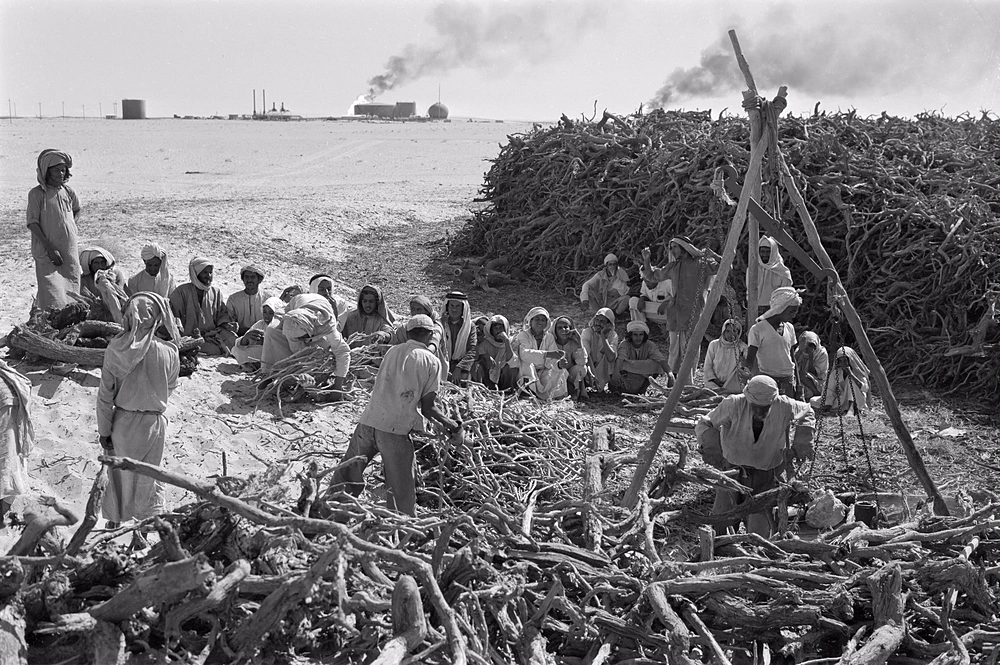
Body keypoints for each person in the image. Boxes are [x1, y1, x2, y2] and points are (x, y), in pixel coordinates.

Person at [329, 315, 463, 516]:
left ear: (408, 333)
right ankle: (401, 532)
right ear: (429, 335)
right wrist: (453, 425)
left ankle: (327, 512)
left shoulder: (392, 352)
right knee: (401, 492)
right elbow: (429, 408)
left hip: (368, 422)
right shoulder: (431, 362)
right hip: (394, 431)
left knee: (347, 474)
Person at [97, 293, 181, 531]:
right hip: (154, 424)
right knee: (148, 479)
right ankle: (143, 532)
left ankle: (113, 527)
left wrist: (104, 430)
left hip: (122, 423)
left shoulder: (116, 349)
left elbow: (105, 395)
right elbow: (171, 385)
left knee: (118, 478)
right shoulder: (170, 351)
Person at [695, 375, 816, 537]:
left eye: (765, 408)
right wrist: (712, 446)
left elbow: (808, 410)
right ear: (748, 399)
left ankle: (755, 556)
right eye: (756, 407)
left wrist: (803, 438)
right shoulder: (733, 404)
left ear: (773, 401)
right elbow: (704, 423)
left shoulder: (784, 405)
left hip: (766, 475)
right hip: (731, 473)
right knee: (721, 524)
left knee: (760, 531)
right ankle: (718, 551)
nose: (760, 412)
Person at [641, 238, 721, 387]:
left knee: (690, 348)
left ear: (684, 248)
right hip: (675, 313)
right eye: (671, 248)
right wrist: (646, 260)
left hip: (693, 312)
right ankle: (672, 381)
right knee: (674, 349)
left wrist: (713, 255)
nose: (672, 251)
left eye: (675, 247)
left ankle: (688, 384)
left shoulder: (701, 264)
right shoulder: (673, 266)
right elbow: (652, 276)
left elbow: (724, 266)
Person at [260, 294, 350, 396]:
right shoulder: (292, 309)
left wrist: (337, 388)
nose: (298, 340)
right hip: (295, 310)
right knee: (271, 330)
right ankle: (267, 374)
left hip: (316, 330)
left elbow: (343, 351)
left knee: (319, 351)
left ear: (308, 333)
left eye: (300, 338)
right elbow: (287, 320)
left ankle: (305, 378)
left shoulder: (328, 328)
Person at [27, 149, 82, 311]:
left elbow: (77, 209)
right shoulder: (36, 194)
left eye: (63, 169)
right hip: (48, 252)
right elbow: (32, 223)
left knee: (71, 292)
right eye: (56, 169)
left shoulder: (68, 191)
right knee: (51, 292)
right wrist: (50, 249)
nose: (60, 173)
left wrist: (72, 226)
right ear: (46, 171)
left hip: (69, 251)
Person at [168, 257, 238, 356]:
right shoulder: (181, 292)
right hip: (189, 336)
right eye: (204, 272)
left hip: (212, 333)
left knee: (234, 340)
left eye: (210, 272)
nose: (208, 276)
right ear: (196, 274)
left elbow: (222, 314)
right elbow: (173, 315)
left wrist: (226, 324)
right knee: (213, 350)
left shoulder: (216, 292)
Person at [742, 287, 801, 397]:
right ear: (780, 308)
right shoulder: (758, 329)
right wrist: (746, 371)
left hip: (788, 380)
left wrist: (799, 386)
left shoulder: (789, 328)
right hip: (767, 380)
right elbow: (750, 358)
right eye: (792, 311)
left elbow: (792, 358)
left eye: (796, 311)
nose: (794, 315)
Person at [0, 359, 34, 512]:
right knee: (10, 456)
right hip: (9, 398)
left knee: (9, 457)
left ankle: (2, 511)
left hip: (6, 402)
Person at [510, 307, 565, 400]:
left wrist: (558, 364)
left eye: (543, 320)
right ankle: (527, 392)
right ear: (530, 321)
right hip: (526, 370)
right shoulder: (523, 335)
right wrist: (546, 354)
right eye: (537, 319)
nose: (540, 322)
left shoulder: (549, 337)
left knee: (559, 372)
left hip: (542, 371)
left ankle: (552, 396)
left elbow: (551, 361)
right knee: (527, 364)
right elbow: (524, 354)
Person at [611, 321, 672, 395]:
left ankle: (642, 389)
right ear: (631, 335)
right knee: (620, 364)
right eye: (635, 335)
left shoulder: (649, 345)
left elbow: (661, 359)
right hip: (627, 374)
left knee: (657, 364)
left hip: (642, 375)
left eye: (641, 335)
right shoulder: (625, 344)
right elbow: (620, 359)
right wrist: (616, 372)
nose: (638, 338)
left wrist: (670, 374)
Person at [811, 347, 873, 416]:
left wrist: (851, 374)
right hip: (842, 399)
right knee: (813, 400)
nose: (843, 363)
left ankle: (851, 409)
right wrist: (828, 404)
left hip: (857, 399)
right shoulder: (837, 373)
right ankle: (843, 409)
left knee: (851, 381)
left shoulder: (858, 372)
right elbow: (830, 389)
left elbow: (865, 388)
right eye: (841, 361)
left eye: (845, 360)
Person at [747, 236, 794, 317]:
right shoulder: (752, 269)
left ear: (773, 252)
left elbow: (785, 297)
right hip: (753, 310)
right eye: (762, 251)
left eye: (768, 251)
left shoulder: (783, 273)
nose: (764, 254)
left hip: (774, 312)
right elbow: (749, 289)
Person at [79, 247, 129, 321]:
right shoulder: (84, 280)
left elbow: (120, 293)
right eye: (96, 263)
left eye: (102, 262)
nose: (100, 266)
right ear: (90, 265)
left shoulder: (115, 275)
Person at [233, 296, 284, 368]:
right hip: (263, 352)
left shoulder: (281, 325)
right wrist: (246, 339)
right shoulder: (261, 324)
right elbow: (239, 343)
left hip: (278, 355)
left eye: (271, 313)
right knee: (236, 350)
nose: (266, 316)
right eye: (264, 312)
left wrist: (267, 342)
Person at [440, 292, 477, 385]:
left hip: (461, 364)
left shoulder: (469, 327)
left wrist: (459, 367)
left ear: (463, 308)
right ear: (447, 307)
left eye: (458, 306)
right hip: (442, 363)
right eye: (451, 305)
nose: (454, 309)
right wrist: (442, 326)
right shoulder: (439, 324)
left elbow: (472, 351)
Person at [704, 318, 749, 394]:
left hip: (732, 383)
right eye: (728, 331)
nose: (731, 335)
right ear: (723, 331)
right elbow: (708, 365)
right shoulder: (714, 345)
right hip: (713, 382)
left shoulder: (742, 348)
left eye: (734, 331)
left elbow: (744, 370)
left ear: (738, 333)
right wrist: (714, 380)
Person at [474, 314, 517, 391]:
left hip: (503, 377)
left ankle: (507, 390)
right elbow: (477, 356)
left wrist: (506, 341)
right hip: (488, 378)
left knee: (510, 367)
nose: (498, 330)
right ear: (491, 330)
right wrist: (485, 356)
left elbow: (512, 361)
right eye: (495, 328)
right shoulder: (486, 342)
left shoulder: (512, 342)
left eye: (501, 328)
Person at [580, 308, 619, 393]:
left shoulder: (612, 335)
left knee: (609, 355)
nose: (597, 323)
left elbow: (611, 357)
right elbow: (586, 355)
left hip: (603, 367)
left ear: (608, 324)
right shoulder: (587, 332)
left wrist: (603, 337)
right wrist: (591, 372)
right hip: (589, 366)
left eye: (602, 321)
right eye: (597, 319)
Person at [226, 265, 272, 335]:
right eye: (246, 277)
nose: (249, 280)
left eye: (252, 277)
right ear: (243, 279)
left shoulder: (268, 299)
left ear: (259, 280)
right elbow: (229, 322)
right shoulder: (233, 299)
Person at [552, 316, 589, 400]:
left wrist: (579, 341)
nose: (563, 330)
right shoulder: (552, 342)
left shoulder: (573, 343)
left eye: (566, 327)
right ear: (555, 330)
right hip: (556, 373)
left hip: (570, 375)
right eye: (559, 328)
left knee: (582, 368)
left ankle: (574, 391)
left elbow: (582, 362)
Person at [796, 331, 830, 401]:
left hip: (817, 381)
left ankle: (816, 392)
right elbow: (793, 363)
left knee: (802, 374)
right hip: (800, 379)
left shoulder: (822, 354)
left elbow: (816, 374)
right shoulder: (800, 349)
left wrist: (810, 357)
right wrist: (800, 351)